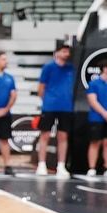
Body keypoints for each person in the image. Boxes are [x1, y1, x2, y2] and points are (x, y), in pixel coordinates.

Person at [34, 41, 76, 178]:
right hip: (50, 106)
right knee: (45, 135)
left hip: (66, 106)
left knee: (63, 136)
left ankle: (61, 165)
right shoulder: (48, 67)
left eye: (67, 51)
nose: (66, 54)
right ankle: (41, 164)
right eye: (63, 51)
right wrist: (46, 101)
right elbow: (41, 87)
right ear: (56, 52)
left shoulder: (71, 68)